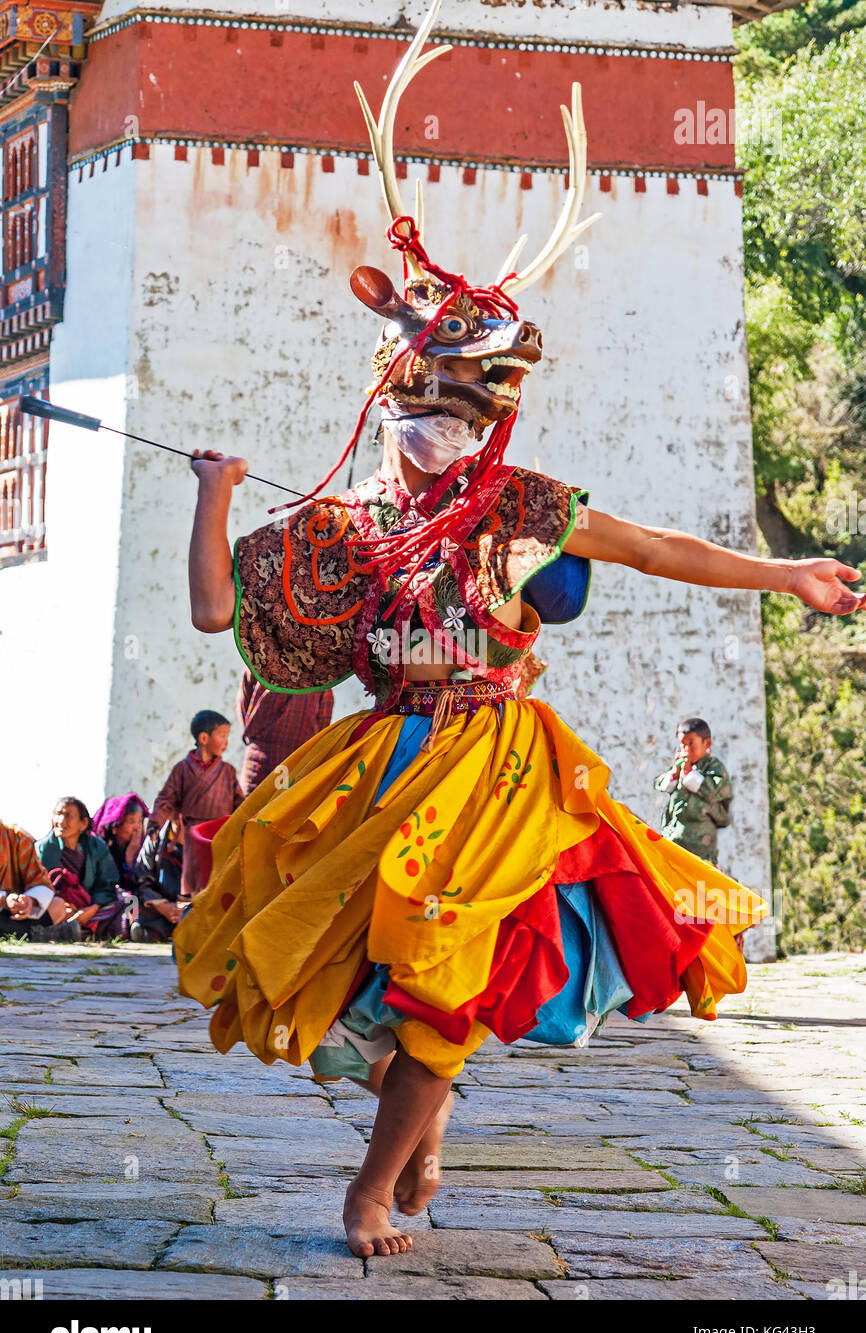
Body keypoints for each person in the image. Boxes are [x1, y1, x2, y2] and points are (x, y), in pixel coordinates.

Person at [172, 0, 866, 1260]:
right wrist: (216, 496)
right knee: (365, 980)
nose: (429, 421)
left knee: (453, 970)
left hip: (502, 771)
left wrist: (784, 572)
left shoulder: (526, 508)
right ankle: (414, 1121)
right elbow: (220, 609)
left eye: (454, 402)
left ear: (486, 411)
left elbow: (661, 548)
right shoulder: (345, 523)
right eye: (415, 399)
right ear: (389, 397)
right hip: (383, 763)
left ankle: (370, 1187)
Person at [151, 710, 244, 896]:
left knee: (220, 885)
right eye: (222, 736)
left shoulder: (228, 772)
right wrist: (155, 824)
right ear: (203, 738)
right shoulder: (183, 770)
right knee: (194, 886)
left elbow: (241, 805)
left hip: (222, 833)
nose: (226, 742)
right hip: (193, 834)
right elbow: (165, 799)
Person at [37, 798, 125, 941]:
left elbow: (107, 883)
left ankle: (77, 927)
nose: (61, 821)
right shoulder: (42, 848)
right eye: (58, 814)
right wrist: (64, 907)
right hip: (59, 906)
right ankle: (70, 927)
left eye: (68, 816)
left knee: (123, 899)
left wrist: (91, 909)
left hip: (91, 905)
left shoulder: (97, 846)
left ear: (83, 824)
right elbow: (38, 885)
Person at [236, 671, 334, 794]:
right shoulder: (320, 680)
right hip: (290, 763)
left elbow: (244, 711)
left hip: (266, 763)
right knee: (285, 810)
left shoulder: (257, 666)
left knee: (253, 810)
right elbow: (323, 724)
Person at [655, 718, 733, 867]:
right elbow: (663, 785)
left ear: (707, 744)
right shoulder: (682, 766)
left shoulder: (713, 767)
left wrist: (689, 773)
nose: (686, 749)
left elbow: (712, 791)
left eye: (691, 743)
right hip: (674, 837)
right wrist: (675, 774)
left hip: (699, 843)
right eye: (683, 744)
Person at [0, 819, 57, 936]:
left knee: (58, 905)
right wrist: (4, 900)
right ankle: (36, 934)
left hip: (13, 915)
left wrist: (30, 900)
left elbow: (41, 883)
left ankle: (26, 932)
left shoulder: (18, 837)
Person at [132, 819, 185, 941]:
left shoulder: (206, 835)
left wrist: (188, 906)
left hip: (194, 905)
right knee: (133, 903)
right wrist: (162, 906)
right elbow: (142, 878)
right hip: (162, 906)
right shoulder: (155, 837)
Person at [92, 794, 148, 892]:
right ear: (115, 828)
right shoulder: (100, 847)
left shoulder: (144, 845)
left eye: (140, 821)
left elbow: (139, 884)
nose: (137, 827)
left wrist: (130, 856)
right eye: (131, 821)